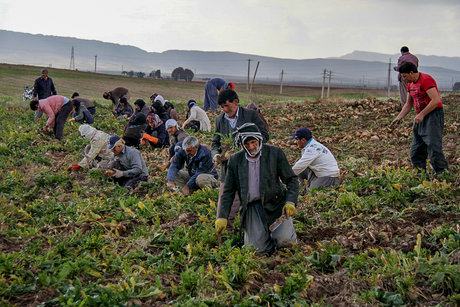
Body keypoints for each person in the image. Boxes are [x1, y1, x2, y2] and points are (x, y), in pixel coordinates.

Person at [215, 123, 298, 255]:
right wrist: (222, 216)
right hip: (252, 207)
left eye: (253, 142)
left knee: (285, 242)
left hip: (276, 204)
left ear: (259, 140)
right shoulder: (235, 161)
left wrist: (290, 202)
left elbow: (291, 180)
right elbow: (228, 192)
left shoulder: (274, 153)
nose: (251, 147)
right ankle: (265, 239)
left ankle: (281, 235)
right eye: (247, 144)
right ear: (242, 144)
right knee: (256, 252)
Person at [212, 89, 269, 229]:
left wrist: (246, 148)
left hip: (250, 166)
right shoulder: (220, 120)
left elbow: (264, 135)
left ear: (236, 102)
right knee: (225, 203)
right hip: (228, 168)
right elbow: (215, 142)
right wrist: (216, 154)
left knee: (252, 201)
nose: (225, 110)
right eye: (222, 107)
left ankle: (253, 230)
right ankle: (226, 234)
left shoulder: (250, 115)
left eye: (227, 106)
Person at [390, 62, 448, 174]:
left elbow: (436, 100)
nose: (404, 79)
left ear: (411, 72)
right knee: (416, 151)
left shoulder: (426, 80)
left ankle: (443, 174)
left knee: (433, 146)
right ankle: (420, 175)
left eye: (405, 76)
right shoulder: (410, 84)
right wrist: (399, 117)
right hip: (420, 117)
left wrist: (421, 114)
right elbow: (408, 104)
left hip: (433, 115)